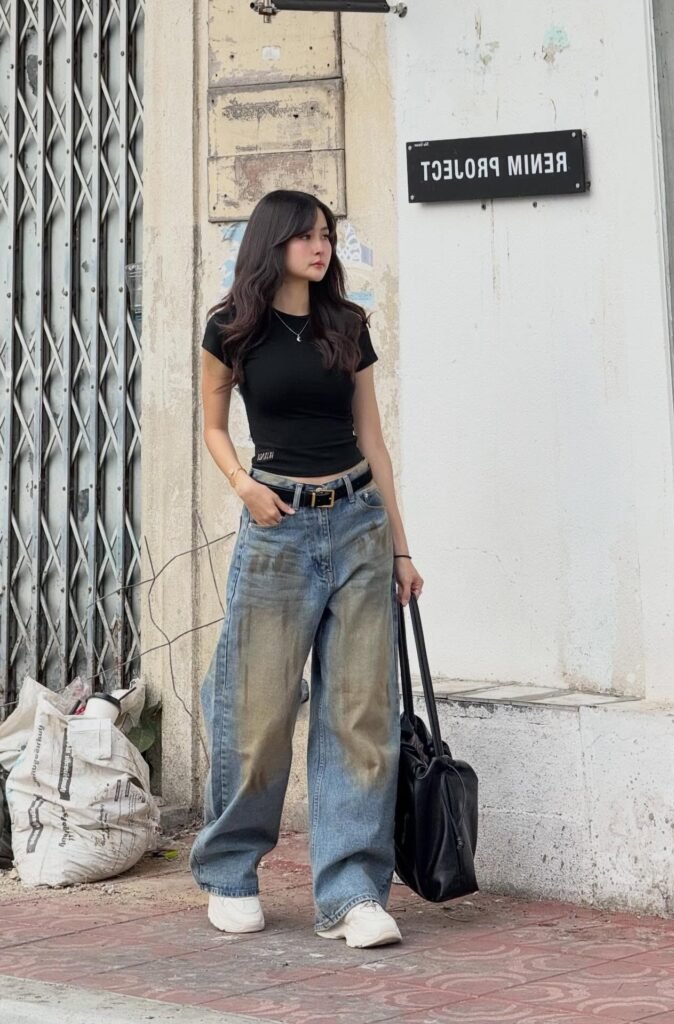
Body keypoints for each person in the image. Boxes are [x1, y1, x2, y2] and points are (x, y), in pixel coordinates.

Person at [190, 189, 423, 949]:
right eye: (305, 236)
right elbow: (214, 426)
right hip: (277, 527)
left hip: (357, 522)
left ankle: (352, 893)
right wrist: (244, 487)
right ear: (274, 243)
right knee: (255, 715)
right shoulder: (232, 327)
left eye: (326, 235)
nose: (319, 247)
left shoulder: (347, 327)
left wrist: (400, 547)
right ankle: (230, 872)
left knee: (360, 714)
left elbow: (374, 440)